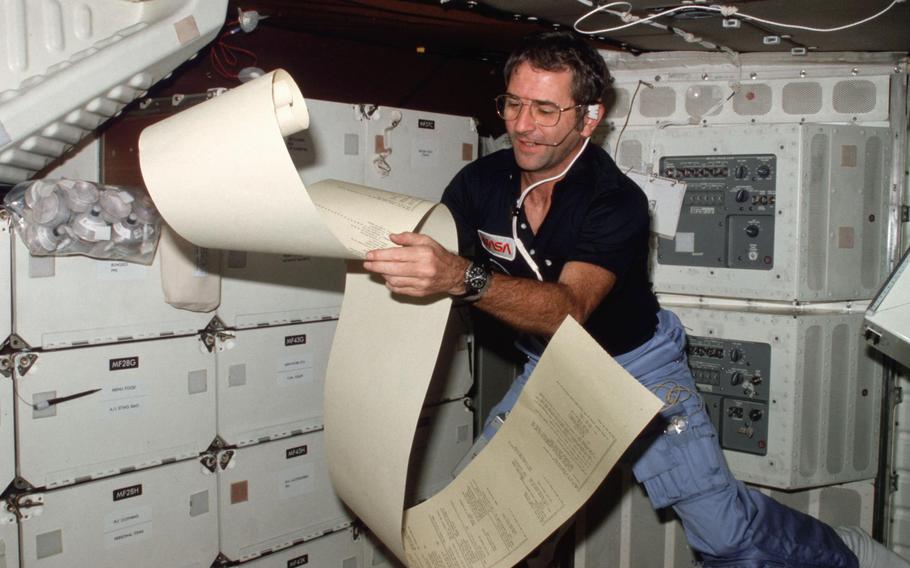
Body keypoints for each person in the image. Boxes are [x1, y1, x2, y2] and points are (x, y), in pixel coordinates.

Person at [364, 31, 908, 568]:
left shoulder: (616, 200)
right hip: (553, 371)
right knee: (493, 530)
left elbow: (567, 310)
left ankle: (845, 553)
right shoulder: (479, 183)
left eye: (546, 110)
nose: (522, 125)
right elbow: (431, 254)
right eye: (513, 102)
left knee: (725, 539)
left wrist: (463, 277)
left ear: (589, 117)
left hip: (639, 370)